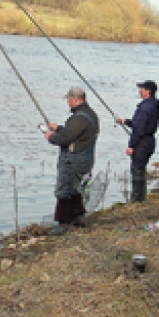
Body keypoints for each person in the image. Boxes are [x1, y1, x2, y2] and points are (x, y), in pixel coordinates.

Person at [44, 87, 99, 234]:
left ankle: (63, 223)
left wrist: (51, 136)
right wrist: (59, 128)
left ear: (75, 99)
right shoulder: (90, 114)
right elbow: (75, 134)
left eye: (68, 99)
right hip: (86, 159)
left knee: (64, 190)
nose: (68, 102)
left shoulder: (78, 118)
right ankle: (78, 216)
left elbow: (65, 139)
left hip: (73, 160)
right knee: (75, 189)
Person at [116, 80, 159, 203]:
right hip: (149, 141)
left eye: (142, 88)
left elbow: (139, 129)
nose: (140, 90)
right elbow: (141, 125)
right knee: (141, 171)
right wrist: (125, 121)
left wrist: (131, 146)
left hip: (142, 143)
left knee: (136, 172)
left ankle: (136, 201)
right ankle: (142, 199)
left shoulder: (144, 107)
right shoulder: (154, 105)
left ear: (148, 91)